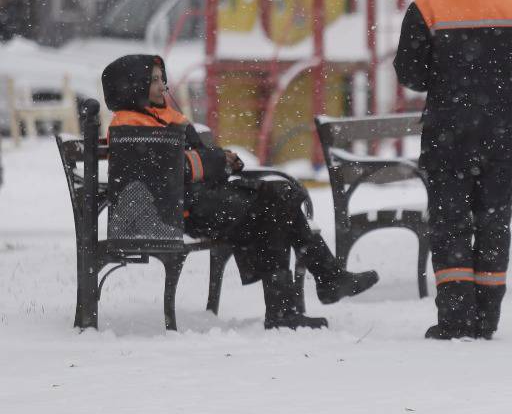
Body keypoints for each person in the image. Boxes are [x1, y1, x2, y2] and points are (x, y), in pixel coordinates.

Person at [101, 54, 379, 330]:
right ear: (132, 85)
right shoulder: (129, 124)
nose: (163, 86)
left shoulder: (166, 117)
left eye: (163, 79)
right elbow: (167, 171)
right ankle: (317, 286)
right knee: (274, 207)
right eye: (154, 81)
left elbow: (190, 161)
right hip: (175, 213)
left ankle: (307, 294)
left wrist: (223, 162)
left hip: (200, 201)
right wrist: (215, 161)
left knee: (279, 196)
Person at [394, 0, 512, 340]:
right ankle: (487, 317)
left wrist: (449, 78)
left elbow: (410, 73)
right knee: (494, 221)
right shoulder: (508, 1)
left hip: (449, 136)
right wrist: (496, 78)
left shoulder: (428, 5)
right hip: (500, 133)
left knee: (450, 223)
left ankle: (456, 317)